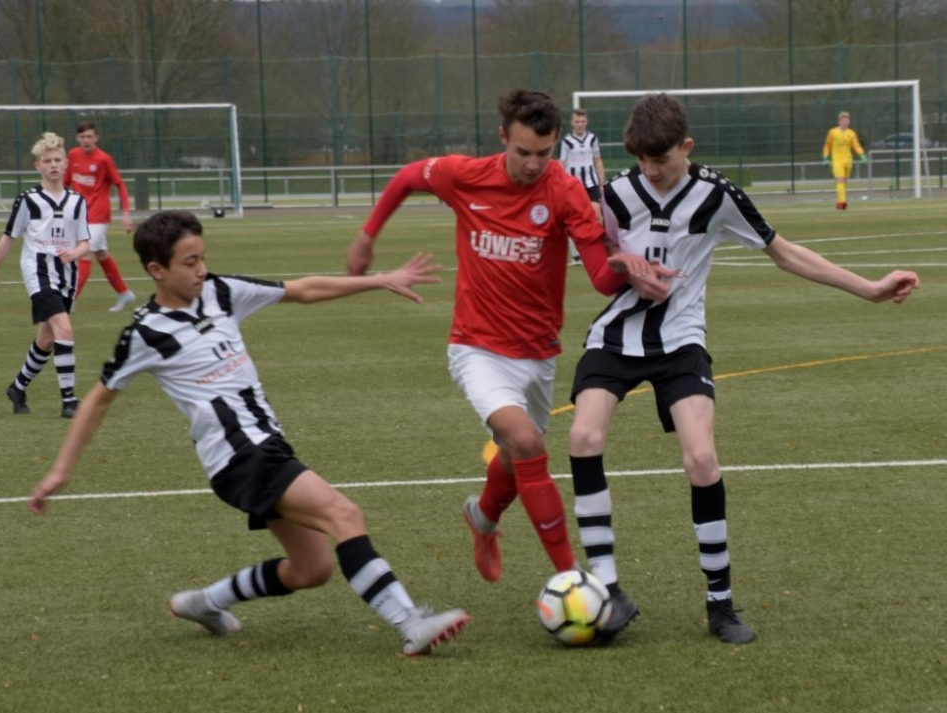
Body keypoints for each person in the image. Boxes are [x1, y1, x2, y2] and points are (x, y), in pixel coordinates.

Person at [27, 210, 469, 656]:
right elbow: (98, 400)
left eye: (202, 257)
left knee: (311, 569)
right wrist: (60, 471)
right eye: (189, 262)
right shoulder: (146, 332)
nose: (201, 269)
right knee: (345, 515)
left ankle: (205, 603)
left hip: (265, 446)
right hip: (241, 457)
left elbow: (303, 289)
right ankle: (412, 623)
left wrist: (380, 280)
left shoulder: (220, 291)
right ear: (156, 270)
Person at [568, 93, 919, 645]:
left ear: (686, 146)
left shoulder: (717, 194)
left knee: (701, 458)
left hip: (681, 341)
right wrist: (623, 264)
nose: (651, 172)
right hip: (616, 336)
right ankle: (607, 592)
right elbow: (600, 247)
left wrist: (870, 289)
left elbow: (785, 253)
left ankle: (720, 604)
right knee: (583, 435)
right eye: (641, 161)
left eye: (661, 161)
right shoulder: (618, 192)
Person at [345, 89, 672, 638]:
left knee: (522, 454)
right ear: (503, 138)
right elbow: (405, 178)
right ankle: (575, 581)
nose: (533, 164)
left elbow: (599, 278)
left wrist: (627, 268)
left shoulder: (564, 191)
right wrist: (366, 237)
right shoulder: (464, 176)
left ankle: (484, 515)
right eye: (523, 152)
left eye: (544, 153)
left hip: (538, 355)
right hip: (476, 348)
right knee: (525, 443)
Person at [0, 131, 91, 418]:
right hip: (38, 272)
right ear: (38, 166)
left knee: (48, 338)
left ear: (66, 164)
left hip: (67, 275)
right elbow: (8, 238)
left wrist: (74, 254)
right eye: (47, 161)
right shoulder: (28, 200)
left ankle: (17, 388)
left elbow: (85, 243)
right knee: (64, 328)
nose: (53, 165)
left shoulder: (77, 201)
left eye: (57, 160)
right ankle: (69, 401)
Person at [64, 121, 136, 311]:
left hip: (98, 215)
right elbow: (65, 182)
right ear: (77, 138)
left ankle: (70, 300)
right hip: (80, 215)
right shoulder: (73, 156)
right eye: (83, 137)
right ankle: (124, 293)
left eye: (90, 136)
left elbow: (120, 184)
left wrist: (126, 213)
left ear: (96, 138)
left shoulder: (104, 159)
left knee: (84, 253)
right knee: (102, 254)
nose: (86, 140)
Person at [560, 108, 606, 264]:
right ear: (572, 123)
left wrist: (602, 182)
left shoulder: (592, 139)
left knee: (596, 216)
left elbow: (598, 160)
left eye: (582, 121)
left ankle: (598, 251)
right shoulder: (566, 141)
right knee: (573, 219)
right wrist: (561, 183)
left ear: (586, 122)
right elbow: (562, 163)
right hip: (573, 186)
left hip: (591, 183)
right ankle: (576, 255)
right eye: (577, 121)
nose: (580, 124)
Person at [822, 111, 867, 210]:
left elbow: (856, 145)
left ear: (849, 122)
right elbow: (827, 145)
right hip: (837, 159)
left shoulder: (851, 133)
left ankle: (839, 202)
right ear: (839, 122)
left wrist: (862, 154)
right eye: (843, 121)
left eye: (847, 121)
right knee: (840, 179)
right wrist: (825, 157)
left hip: (848, 160)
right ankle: (842, 202)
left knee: (844, 182)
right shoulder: (832, 132)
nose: (845, 123)